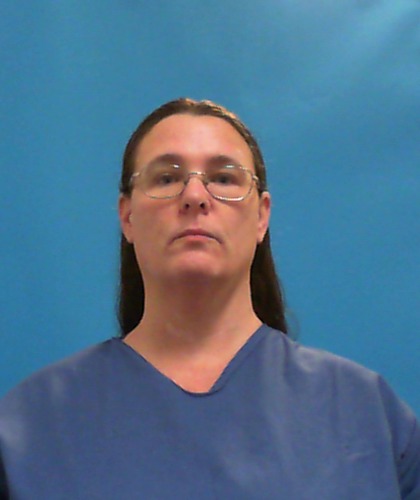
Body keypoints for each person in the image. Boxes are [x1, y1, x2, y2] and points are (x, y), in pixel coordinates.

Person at [0, 98, 419, 499]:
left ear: (262, 216)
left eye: (224, 178)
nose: (195, 196)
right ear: (127, 216)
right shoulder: (30, 428)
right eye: (166, 178)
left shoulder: (368, 418)